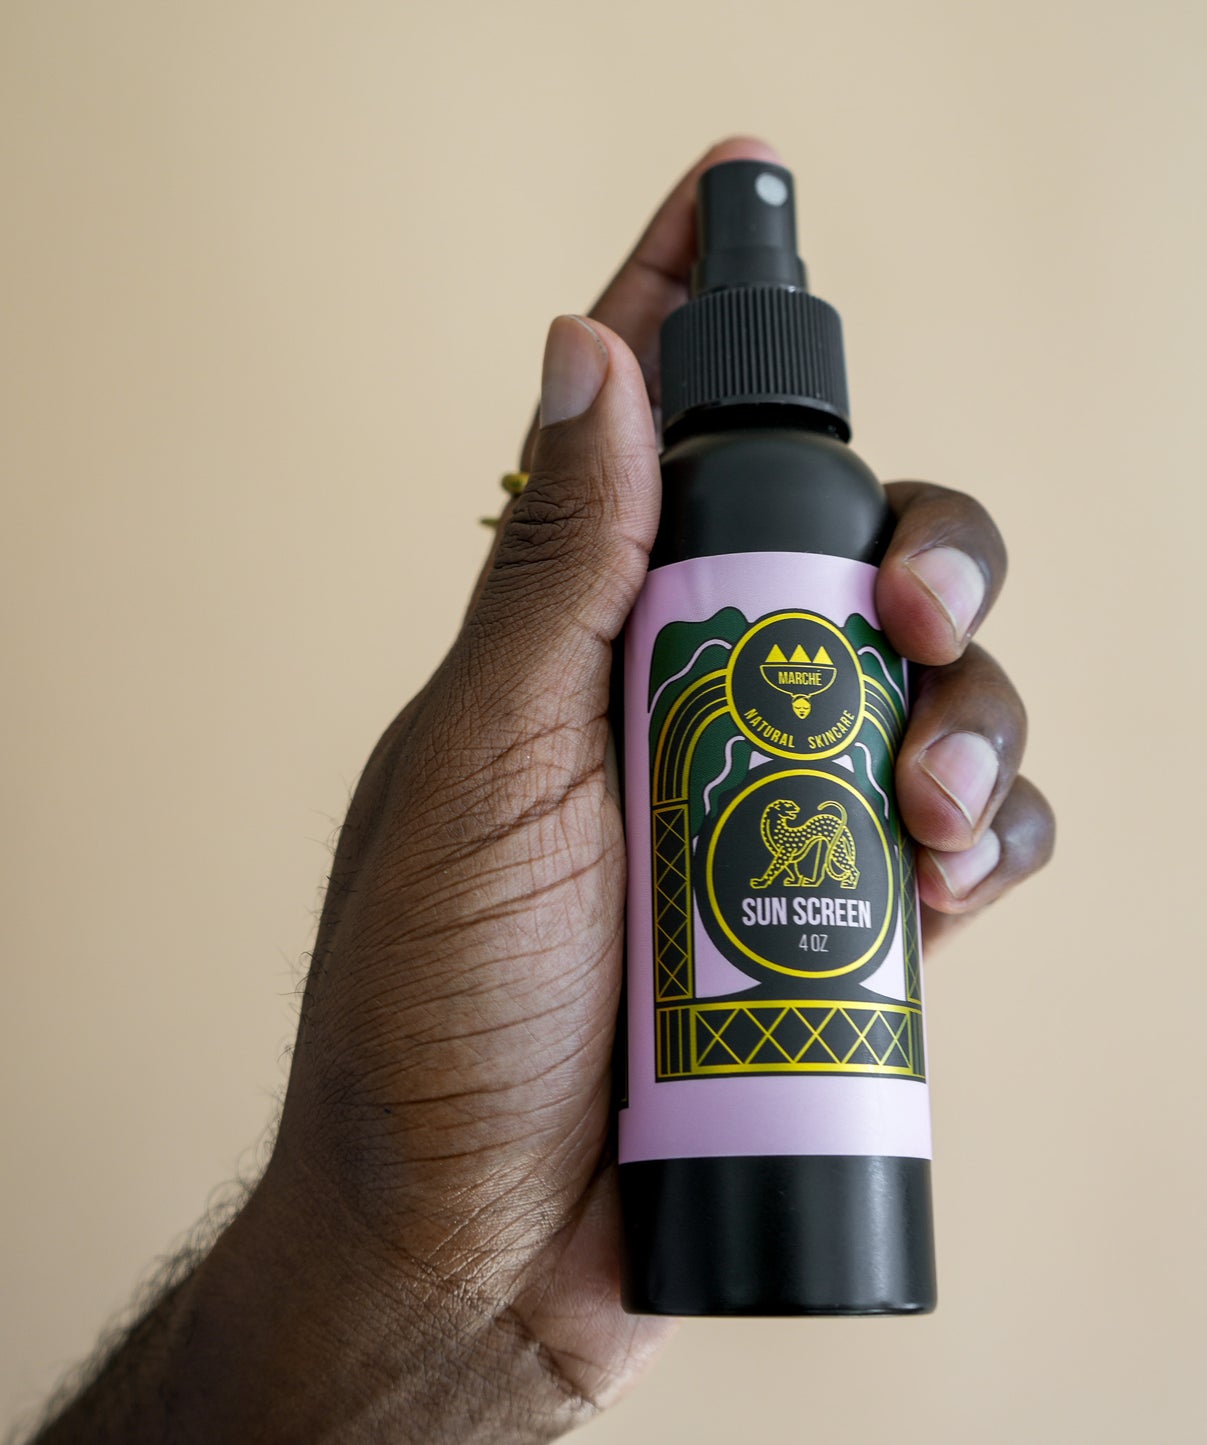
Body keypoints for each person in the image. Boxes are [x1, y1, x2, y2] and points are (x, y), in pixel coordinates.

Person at [28, 137, 1055, 1444]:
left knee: (930, 754)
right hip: (639, 1147)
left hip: (819, 1108)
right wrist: (417, 1262)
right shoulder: (681, 503)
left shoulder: (839, 504)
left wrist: (460, 1319)